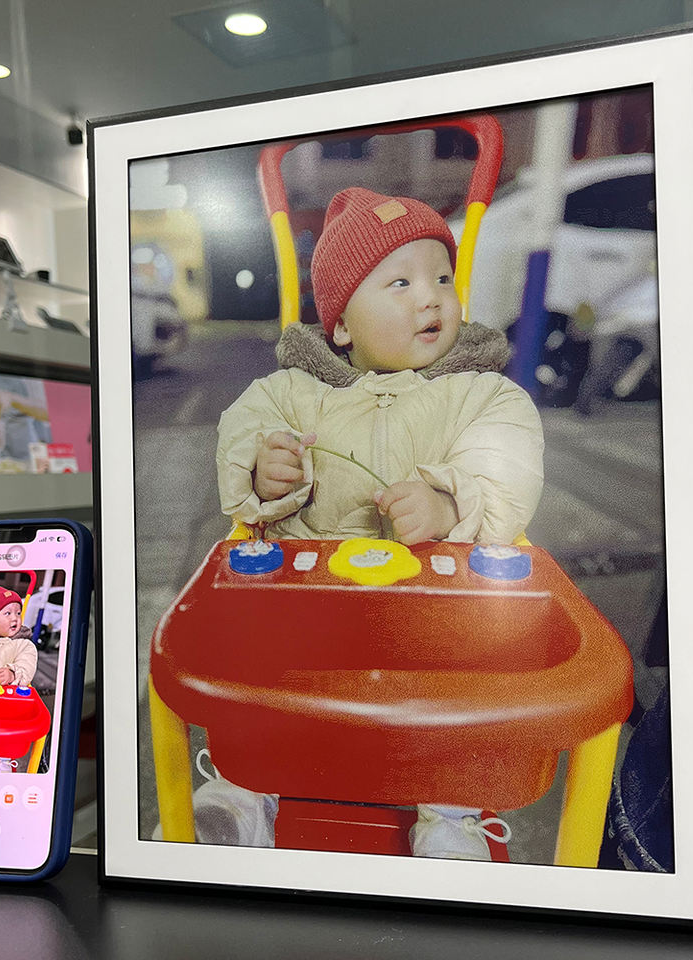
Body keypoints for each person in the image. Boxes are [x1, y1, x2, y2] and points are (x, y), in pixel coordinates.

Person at [210, 187, 545, 860]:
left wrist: (450, 504)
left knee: (467, 675)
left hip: (434, 604)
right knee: (259, 665)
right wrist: (267, 470)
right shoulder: (292, 392)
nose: (431, 299)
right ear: (341, 327)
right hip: (312, 602)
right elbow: (244, 431)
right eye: (401, 283)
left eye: (442, 279)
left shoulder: (483, 391)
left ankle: (450, 815)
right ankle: (243, 792)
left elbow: (507, 462)